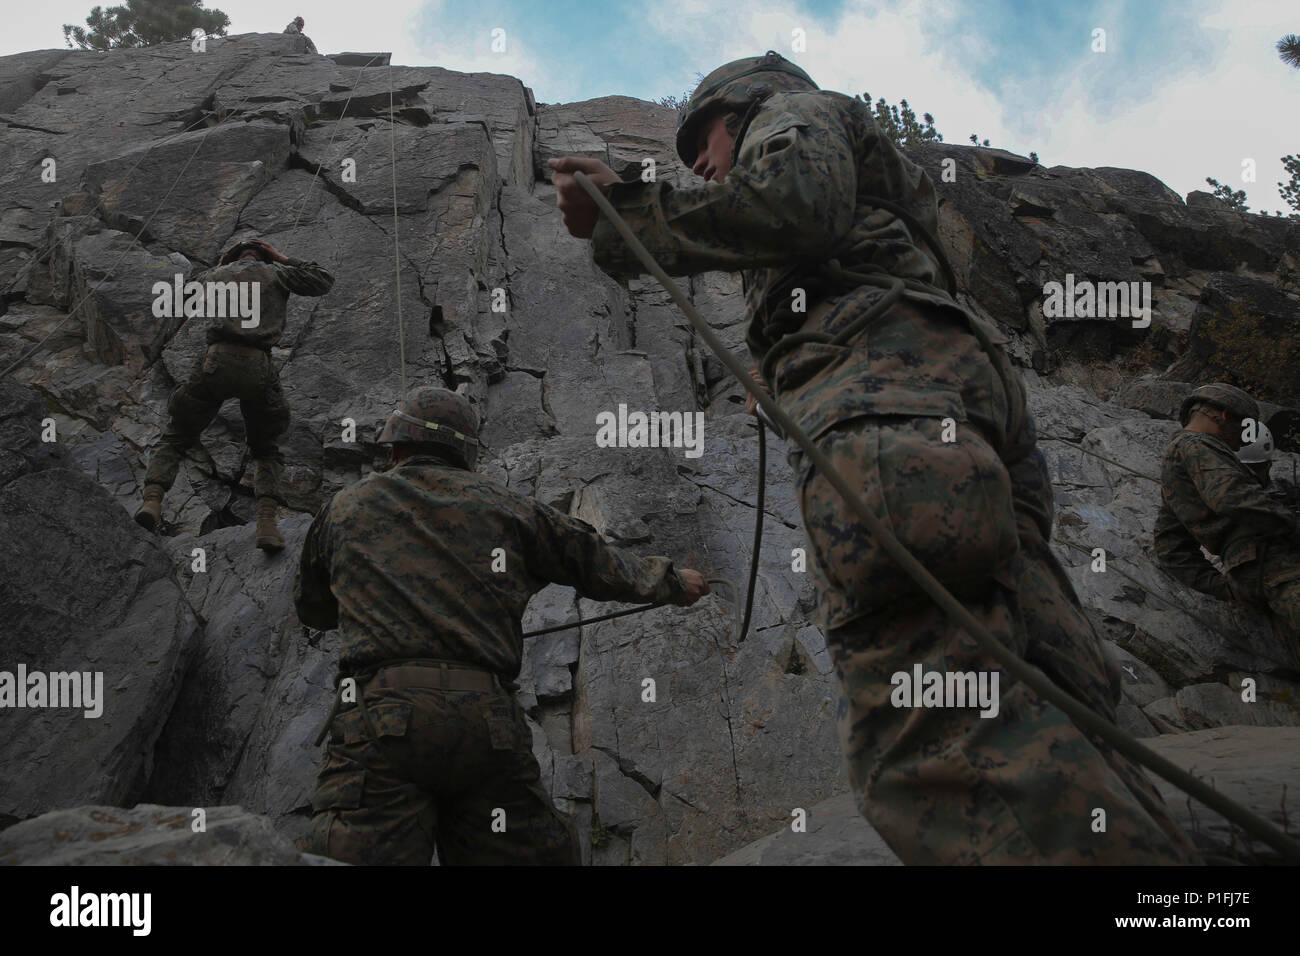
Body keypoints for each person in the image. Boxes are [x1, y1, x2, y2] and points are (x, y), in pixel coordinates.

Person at [550, 51, 1200, 864]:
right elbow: (866, 268)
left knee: (936, 729)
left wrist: (633, 216)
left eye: (701, 149)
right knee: (1053, 689)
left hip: (892, 418)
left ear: (736, 111)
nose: (704, 170)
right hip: (947, 412)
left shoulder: (792, 114)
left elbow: (797, 205)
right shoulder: (877, 186)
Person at [294, 387, 710, 865]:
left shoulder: (345, 507)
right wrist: (674, 581)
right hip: (484, 724)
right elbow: (596, 562)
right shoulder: (508, 507)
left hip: (382, 721)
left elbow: (314, 610)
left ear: (394, 445)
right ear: (466, 452)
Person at [134, 238, 333, 550]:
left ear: (233, 257)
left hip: (216, 361)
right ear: (265, 256)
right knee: (266, 449)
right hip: (258, 366)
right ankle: (267, 523)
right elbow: (323, 280)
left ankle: (153, 502)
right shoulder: (277, 273)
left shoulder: (215, 277)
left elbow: (180, 299)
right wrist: (281, 257)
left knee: (177, 436)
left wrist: (221, 267)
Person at [1155, 384, 1300, 645]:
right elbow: (1231, 497)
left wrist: (1229, 588)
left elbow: (1170, 548)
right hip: (1278, 567)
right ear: (1224, 416)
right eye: (1244, 429)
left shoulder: (1177, 464)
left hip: (1262, 575)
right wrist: (1292, 524)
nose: (1241, 442)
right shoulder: (1198, 446)